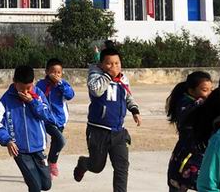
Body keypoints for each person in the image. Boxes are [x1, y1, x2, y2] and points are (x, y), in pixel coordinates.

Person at [73, 47, 141, 192]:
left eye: (117, 63)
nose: (114, 67)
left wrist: (134, 110)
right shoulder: (95, 76)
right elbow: (96, 91)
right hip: (98, 131)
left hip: (119, 132)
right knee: (97, 166)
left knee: (122, 167)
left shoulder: (123, 78)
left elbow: (128, 96)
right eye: (109, 64)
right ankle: (83, 163)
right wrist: (109, 76)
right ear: (101, 64)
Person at [0, 64, 55, 192]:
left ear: (33, 82)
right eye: (22, 88)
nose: (26, 92)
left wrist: (32, 102)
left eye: (29, 88)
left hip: (38, 147)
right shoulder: (6, 99)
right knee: (35, 187)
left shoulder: (38, 94)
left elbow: (47, 116)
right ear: (14, 82)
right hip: (19, 150)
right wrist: (7, 140)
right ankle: (31, 179)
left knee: (46, 185)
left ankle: (32, 178)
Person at [166, 71, 213, 192]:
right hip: (187, 155)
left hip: (197, 154)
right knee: (179, 183)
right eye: (205, 90)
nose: (209, 94)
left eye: (211, 90)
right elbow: (199, 108)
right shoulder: (186, 105)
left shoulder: (201, 104)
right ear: (191, 91)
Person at [35, 57, 75, 177]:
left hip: (60, 120)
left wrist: (60, 84)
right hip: (46, 119)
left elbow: (70, 95)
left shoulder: (63, 84)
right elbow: (36, 97)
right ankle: (51, 162)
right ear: (47, 72)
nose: (56, 75)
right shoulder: (41, 85)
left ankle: (51, 163)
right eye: (53, 72)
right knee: (61, 140)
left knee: (56, 142)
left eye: (59, 72)